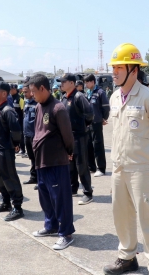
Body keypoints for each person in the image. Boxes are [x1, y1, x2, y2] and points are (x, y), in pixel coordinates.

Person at [103, 43, 149, 275]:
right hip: (120, 167)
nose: (114, 72)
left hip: (143, 169)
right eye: (113, 67)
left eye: (119, 67)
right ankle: (127, 257)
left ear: (134, 70)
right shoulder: (114, 97)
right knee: (121, 215)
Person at [28, 74, 76, 250]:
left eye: (34, 91)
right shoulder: (38, 107)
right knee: (45, 198)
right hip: (41, 161)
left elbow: (68, 136)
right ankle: (51, 226)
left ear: (43, 88)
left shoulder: (58, 108)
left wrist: (69, 152)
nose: (32, 94)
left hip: (56, 161)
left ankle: (66, 233)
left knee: (60, 199)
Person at [0, 81, 25, 221]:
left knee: (10, 178)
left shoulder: (7, 110)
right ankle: (6, 202)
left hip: (5, 149)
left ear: (4, 93)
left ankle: (17, 207)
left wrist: (15, 144)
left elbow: (16, 130)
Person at [58, 73, 95, 205]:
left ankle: (87, 192)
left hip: (79, 136)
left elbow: (90, 113)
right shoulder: (63, 97)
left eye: (64, 81)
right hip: (68, 136)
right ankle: (73, 188)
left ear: (72, 83)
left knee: (81, 165)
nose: (61, 84)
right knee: (70, 164)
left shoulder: (79, 96)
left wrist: (84, 125)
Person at [84, 74, 110, 177]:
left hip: (97, 122)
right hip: (88, 123)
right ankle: (92, 167)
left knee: (97, 145)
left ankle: (101, 168)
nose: (86, 84)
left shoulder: (100, 93)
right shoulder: (87, 93)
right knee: (89, 145)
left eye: (87, 82)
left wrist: (104, 118)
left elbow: (106, 107)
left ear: (92, 82)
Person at [21, 83, 38, 186]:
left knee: (38, 158)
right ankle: (33, 177)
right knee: (32, 157)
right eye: (23, 92)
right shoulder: (26, 102)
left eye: (26, 92)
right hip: (27, 134)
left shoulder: (37, 103)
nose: (24, 94)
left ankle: (40, 179)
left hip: (35, 134)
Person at [9, 84, 26, 156]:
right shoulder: (9, 98)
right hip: (12, 121)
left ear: (15, 89)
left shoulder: (20, 99)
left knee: (20, 135)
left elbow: (23, 111)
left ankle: (23, 150)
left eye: (11, 89)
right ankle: (16, 148)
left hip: (20, 121)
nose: (10, 91)